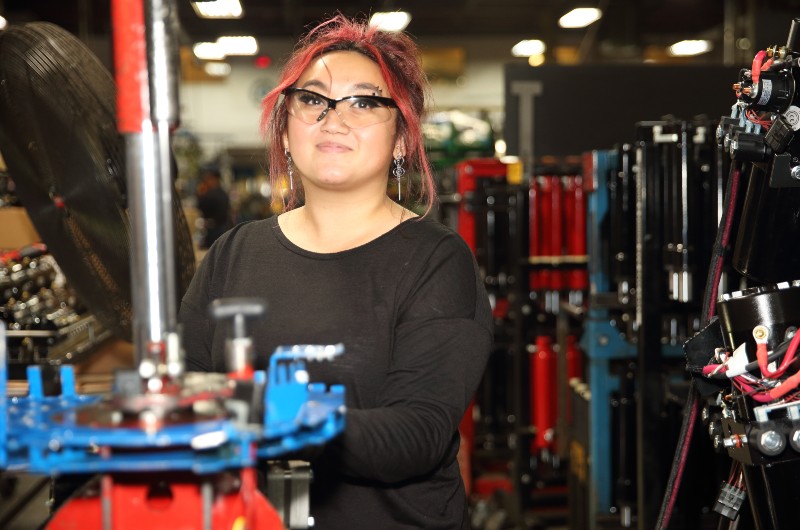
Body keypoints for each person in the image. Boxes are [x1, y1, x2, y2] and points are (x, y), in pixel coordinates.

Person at [178, 14, 492, 530]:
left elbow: (416, 435)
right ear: (285, 128)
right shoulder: (232, 254)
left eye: (365, 102)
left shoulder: (436, 260)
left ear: (400, 141)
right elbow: (185, 398)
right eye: (313, 99)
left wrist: (269, 417)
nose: (334, 118)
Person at [195, 165, 231, 248]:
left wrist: (201, 195)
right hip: (222, 231)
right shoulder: (222, 193)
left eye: (208, 178)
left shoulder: (211, 194)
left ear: (214, 178)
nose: (206, 180)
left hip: (215, 232)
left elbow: (200, 209)